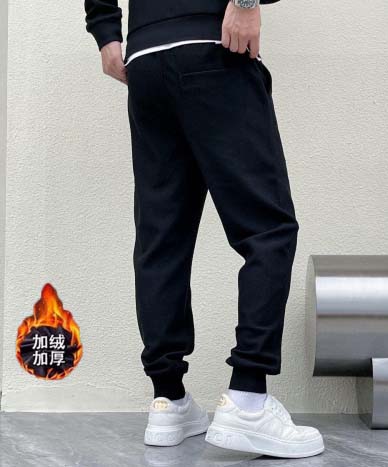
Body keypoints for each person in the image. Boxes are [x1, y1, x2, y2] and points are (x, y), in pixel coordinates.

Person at [84, 0, 324, 458]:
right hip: (213, 48)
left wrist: (106, 31)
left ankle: (168, 399)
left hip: (146, 59)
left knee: (161, 237)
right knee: (267, 230)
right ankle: (248, 398)